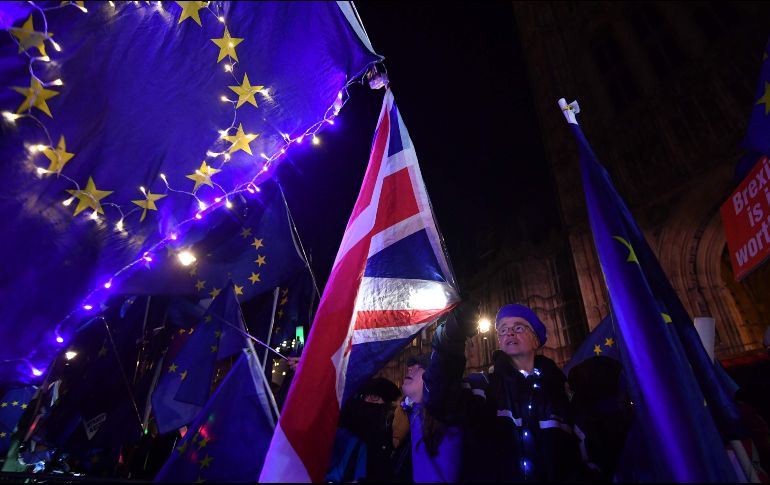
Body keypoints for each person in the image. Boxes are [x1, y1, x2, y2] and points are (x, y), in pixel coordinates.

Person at [427, 301, 582, 482]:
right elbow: (439, 399)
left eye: (519, 327)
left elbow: (577, 457)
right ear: (500, 341)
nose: (509, 332)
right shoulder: (483, 386)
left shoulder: (559, 392)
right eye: (502, 329)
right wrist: (450, 337)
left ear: (536, 340)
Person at [400, 354, 462, 483]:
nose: (410, 369)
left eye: (420, 367)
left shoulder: (447, 427)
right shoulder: (414, 416)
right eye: (411, 366)